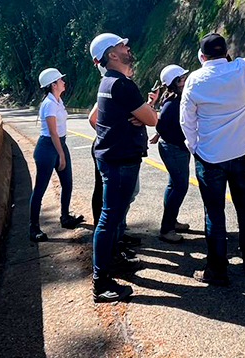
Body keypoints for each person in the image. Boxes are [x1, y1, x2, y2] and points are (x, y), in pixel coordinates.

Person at [180, 0, 245, 285]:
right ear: (226, 52)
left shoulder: (195, 82)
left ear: (201, 57)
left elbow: (186, 122)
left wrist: (194, 147)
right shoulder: (243, 69)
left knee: (215, 214)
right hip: (242, 153)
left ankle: (217, 271)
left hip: (210, 158)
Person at [88, 33, 158, 302]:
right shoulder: (123, 85)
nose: (127, 47)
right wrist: (146, 113)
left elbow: (95, 118)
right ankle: (100, 282)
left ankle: (110, 264)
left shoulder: (107, 82)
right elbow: (151, 119)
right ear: (111, 55)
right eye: (121, 45)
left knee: (112, 219)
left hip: (112, 158)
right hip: (120, 161)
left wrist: (135, 116)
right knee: (108, 221)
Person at [29, 68, 84, 242]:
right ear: (53, 84)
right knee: (40, 189)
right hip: (48, 147)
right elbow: (52, 132)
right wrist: (60, 154)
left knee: (67, 182)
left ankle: (65, 217)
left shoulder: (58, 101)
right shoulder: (49, 104)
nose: (63, 82)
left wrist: (61, 150)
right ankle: (33, 228)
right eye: (61, 80)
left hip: (60, 143)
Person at [151, 64, 193, 243]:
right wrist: (161, 134)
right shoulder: (172, 102)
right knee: (180, 187)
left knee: (173, 186)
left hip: (175, 148)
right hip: (174, 149)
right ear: (175, 82)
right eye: (182, 79)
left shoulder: (175, 98)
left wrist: (159, 135)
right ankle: (166, 229)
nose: (185, 81)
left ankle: (171, 221)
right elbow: (160, 124)